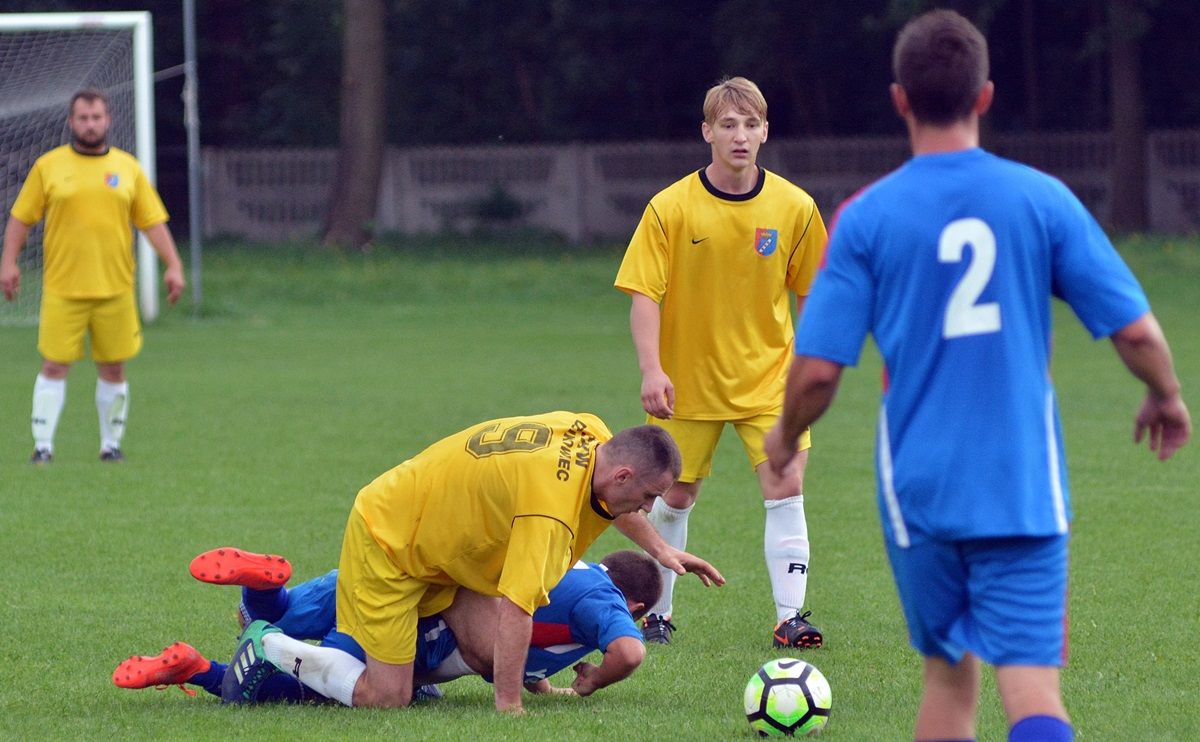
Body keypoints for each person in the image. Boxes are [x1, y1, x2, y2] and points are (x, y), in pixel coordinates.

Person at [764, 10, 1191, 742]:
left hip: (920, 485)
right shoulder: (1041, 198)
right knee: (1031, 685)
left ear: (900, 99)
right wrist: (1166, 393)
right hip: (1022, 480)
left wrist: (785, 434)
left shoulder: (866, 217)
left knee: (947, 678)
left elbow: (818, 376)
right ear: (985, 96)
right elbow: (1137, 331)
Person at [204, 412, 719, 714]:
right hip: (393, 540)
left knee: (492, 656)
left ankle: (274, 604)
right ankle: (270, 646)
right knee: (388, 696)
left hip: (445, 546)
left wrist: (662, 550)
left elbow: (609, 502)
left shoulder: (587, 432)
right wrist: (509, 706)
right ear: (625, 474)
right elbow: (518, 610)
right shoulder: (549, 513)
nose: (650, 508)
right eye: (649, 495)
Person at [614, 76, 827, 648]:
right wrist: (652, 369)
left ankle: (791, 617)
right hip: (689, 385)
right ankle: (657, 614)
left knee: (785, 486)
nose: (740, 135)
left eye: (751, 124)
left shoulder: (795, 207)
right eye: (728, 124)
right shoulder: (670, 208)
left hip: (769, 381)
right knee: (673, 494)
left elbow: (816, 294)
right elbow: (643, 295)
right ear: (707, 131)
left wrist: (813, 363)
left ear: (765, 132)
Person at [113, 547, 662, 704]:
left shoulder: (565, 559)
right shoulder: (606, 601)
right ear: (635, 606)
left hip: (391, 562)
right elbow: (630, 654)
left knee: (261, 610)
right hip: (418, 630)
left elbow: (524, 630)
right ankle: (213, 667)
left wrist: (538, 682)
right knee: (338, 688)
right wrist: (595, 680)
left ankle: (263, 588)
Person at [1, 88, 185, 464]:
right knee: (53, 364)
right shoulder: (48, 166)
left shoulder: (127, 168)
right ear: (72, 122)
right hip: (62, 289)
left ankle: (110, 445)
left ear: (108, 120)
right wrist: (9, 262)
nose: (90, 124)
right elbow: (21, 217)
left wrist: (174, 265)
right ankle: (43, 446)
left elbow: (152, 222)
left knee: (114, 366)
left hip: (114, 289)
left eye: (96, 117)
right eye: (83, 118)